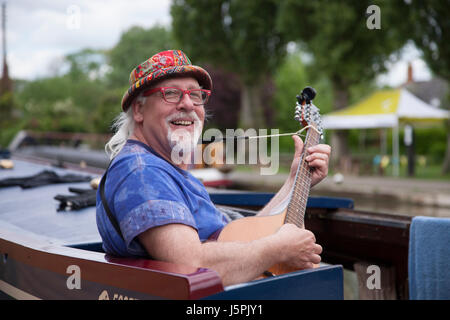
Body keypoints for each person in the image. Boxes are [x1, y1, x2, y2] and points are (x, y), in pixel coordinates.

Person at [96, 50, 331, 286]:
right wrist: (278, 248)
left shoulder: (161, 168)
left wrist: (295, 182)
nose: (188, 103)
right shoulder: (142, 171)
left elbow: (241, 241)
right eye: (171, 93)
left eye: (196, 95)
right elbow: (191, 265)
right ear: (138, 110)